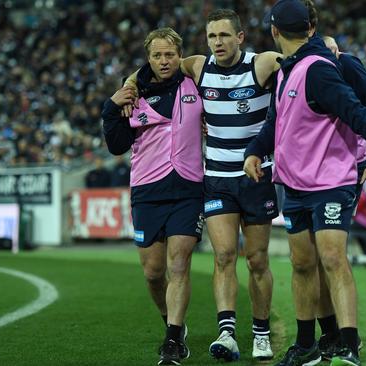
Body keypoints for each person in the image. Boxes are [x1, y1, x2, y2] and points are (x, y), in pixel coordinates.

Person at [244, 1, 366, 365]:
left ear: (275, 31)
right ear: (308, 28)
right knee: (303, 263)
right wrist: (254, 150)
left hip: (331, 181)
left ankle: (349, 345)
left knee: (331, 259)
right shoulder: (286, 71)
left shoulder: (321, 68)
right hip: (294, 184)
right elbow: (274, 122)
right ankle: (309, 344)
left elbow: (362, 115)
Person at [122, 9, 284, 362]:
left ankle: (260, 332)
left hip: (257, 177)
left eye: (225, 36)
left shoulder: (262, 64)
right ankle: (227, 332)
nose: (218, 43)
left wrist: (329, 51)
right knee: (224, 256)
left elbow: (293, 60)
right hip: (216, 179)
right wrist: (128, 87)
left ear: (239, 38)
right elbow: (148, 69)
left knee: (256, 260)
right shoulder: (198, 67)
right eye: (212, 36)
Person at [101, 28, 204, 366]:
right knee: (153, 272)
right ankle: (170, 322)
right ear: (148, 58)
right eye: (157, 56)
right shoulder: (134, 94)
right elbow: (117, 146)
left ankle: (173, 340)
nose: (164, 61)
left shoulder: (195, 83)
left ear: (180, 56)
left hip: (188, 187)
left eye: (170, 55)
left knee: (178, 264)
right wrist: (110, 108)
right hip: (146, 191)